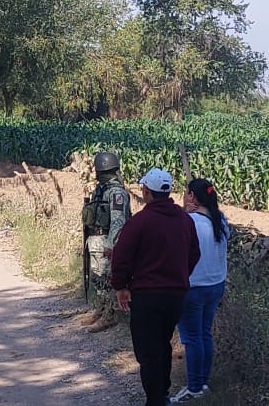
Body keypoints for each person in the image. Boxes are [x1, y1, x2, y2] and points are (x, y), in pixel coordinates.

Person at [110, 168, 200, 406]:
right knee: (162, 343)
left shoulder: (139, 222)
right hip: (175, 296)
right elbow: (194, 254)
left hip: (147, 296)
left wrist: (121, 287)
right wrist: (179, 275)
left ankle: (155, 399)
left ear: (146, 191)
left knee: (148, 351)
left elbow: (121, 258)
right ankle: (163, 393)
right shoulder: (185, 220)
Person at [171, 178, 230, 403]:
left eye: (186, 194)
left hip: (193, 287)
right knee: (204, 333)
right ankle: (203, 382)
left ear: (192, 197)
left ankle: (194, 387)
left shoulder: (189, 221)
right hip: (216, 284)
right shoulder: (220, 220)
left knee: (191, 337)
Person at [81, 150, 131, 332]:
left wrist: (111, 244)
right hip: (96, 239)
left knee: (107, 278)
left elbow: (118, 221)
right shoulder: (101, 190)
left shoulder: (117, 193)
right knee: (97, 278)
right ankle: (100, 309)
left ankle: (110, 315)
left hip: (106, 240)